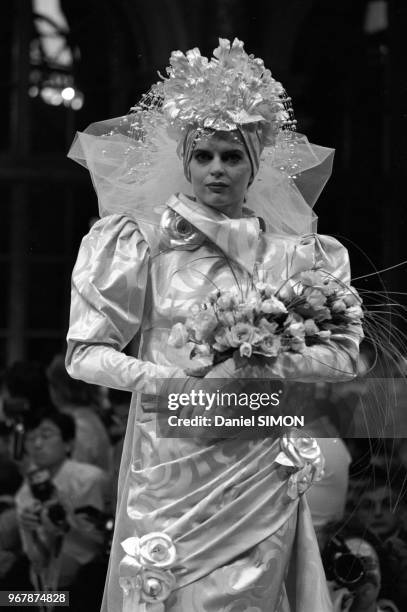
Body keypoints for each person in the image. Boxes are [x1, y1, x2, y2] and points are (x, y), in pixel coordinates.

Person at [66, 39, 363, 611]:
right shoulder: (141, 245)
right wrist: (176, 386)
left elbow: (345, 357)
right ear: (185, 162)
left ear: (256, 164)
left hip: (258, 463)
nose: (217, 169)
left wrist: (266, 359)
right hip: (171, 458)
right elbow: (86, 353)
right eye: (204, 156)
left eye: (232, 156)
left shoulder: (298, 255)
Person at [15, 409, 107, 590]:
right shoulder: (25, 492)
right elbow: (38, 561)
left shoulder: (90, 480)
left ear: (69, 444)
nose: (37, 444)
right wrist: (28, 532)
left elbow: (101, 542)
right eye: (31, 438)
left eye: (46, 435)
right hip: (50, 585)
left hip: (93, 577)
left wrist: (68, 522)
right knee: (9, 599)